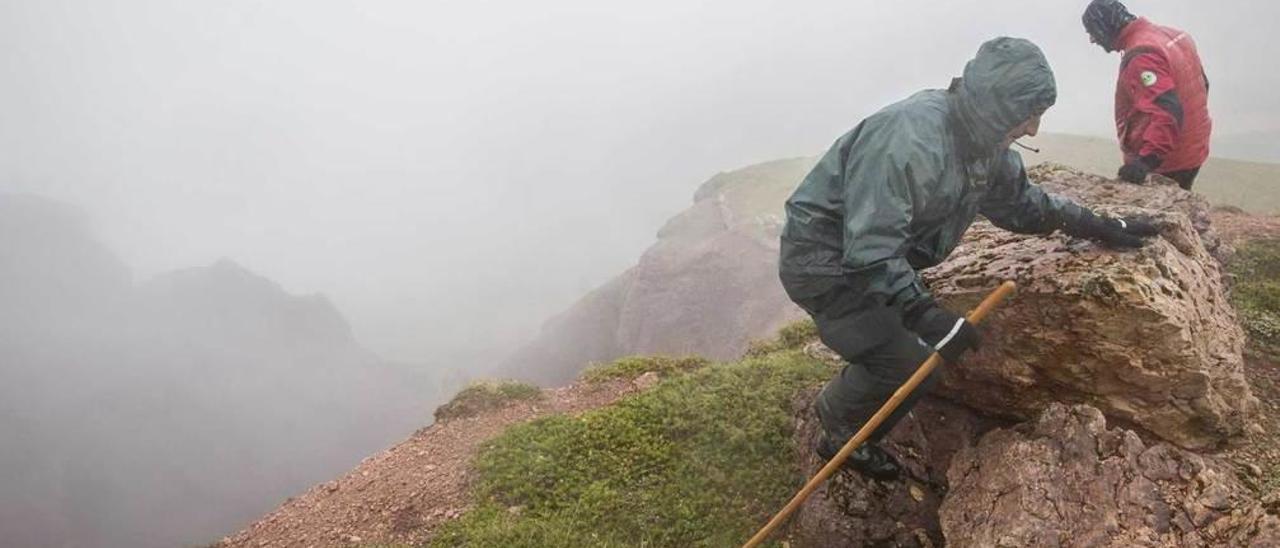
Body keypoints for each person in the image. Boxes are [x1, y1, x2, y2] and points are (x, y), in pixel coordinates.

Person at [778, 37, 1160, 481]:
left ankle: (874, 350)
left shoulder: (982, 143)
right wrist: (924, 315)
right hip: (824, 264)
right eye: (1028, 114)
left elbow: (1023, 205)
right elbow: (869, 250)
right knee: (909, 362)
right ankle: (838, 425)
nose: (1033, 129)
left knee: (917, 348)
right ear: (998, 105)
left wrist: (1097, 224)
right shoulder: (910, 138)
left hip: (867, 254)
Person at [1083, 0, 1212, 190]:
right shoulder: (1173, 35)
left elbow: (1167, 110)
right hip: (1193, 148)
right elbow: (1203, 83)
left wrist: (1146, 161)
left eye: (1092, 31)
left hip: (1169, 161)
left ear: (1106, 26)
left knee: (1156, 216)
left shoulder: (1143, 56)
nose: (1093, 39)